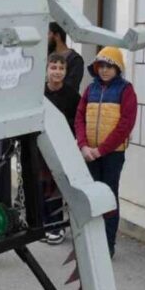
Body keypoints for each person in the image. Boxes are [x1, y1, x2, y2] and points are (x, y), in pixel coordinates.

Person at [75, 47, 137, 258]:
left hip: (111, 155)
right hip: (89, 154)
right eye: (101, 65)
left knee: (109, 198)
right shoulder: (89, 90)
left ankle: (108, 244)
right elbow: (79, 118)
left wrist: (101, 150)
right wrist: (83, 145)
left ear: (118, 67)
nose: (104, 70)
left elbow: (125, 125)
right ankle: (92, 243)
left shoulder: (126, 90)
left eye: (109, 66)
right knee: (92, 198)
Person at [42, 52, 81, 244]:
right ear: (46, 69)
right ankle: (43, 224)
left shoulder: (72, 95)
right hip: (40, 146)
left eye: (61, 68)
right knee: (39, 184)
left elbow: (78, 121)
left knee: (55, 185)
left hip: (61, 147)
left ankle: (56, 226)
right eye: (53, 67)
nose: (57, 72)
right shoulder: (39, 93)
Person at [48, 22, 85, 92]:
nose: (46, 37)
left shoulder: (75, 60)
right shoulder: (46, 56)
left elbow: (71, 86)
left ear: (57, 36)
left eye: (48, 33)